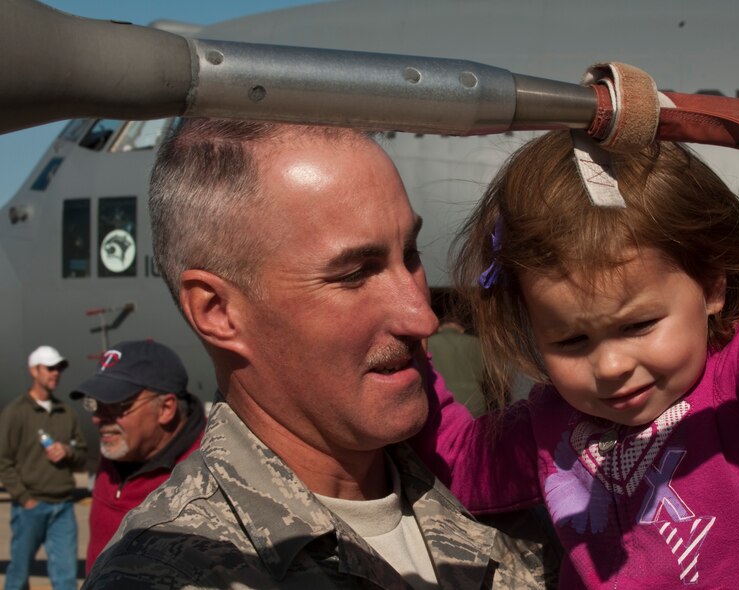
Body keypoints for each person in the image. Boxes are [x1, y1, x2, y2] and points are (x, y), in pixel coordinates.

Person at [411, 84, 739, 588]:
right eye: (570, 341)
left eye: (638, 326)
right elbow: (457, 459)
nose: (610, 367)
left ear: (712, 286)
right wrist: (408, 344)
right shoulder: (550, 425)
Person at [83, 122, 559, 588]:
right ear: (219, 312)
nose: (422, 317)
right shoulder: (177, 572)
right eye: (354, 273)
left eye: (410, 254)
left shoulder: (519, 505)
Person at [68, 339, 206, 573]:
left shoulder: (207, 476)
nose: (98, 418)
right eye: (96, 404)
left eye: (116, 405)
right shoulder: (118, 449)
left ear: (166, 408)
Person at [0, 346, 86, 590]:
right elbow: (3, 462)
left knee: (66, 579)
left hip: (64, 509)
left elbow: (82, 458)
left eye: (58, 368)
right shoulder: (15, 413)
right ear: (33, 370)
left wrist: (67, 451)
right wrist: (25, 499)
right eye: (50, 368)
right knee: (18, 575)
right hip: (31, 508)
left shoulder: (66, 413)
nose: (55, 373)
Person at [427, 319, 487, 417]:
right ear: (461, 328)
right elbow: (493, 376)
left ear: (440, 327)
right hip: (474, 403)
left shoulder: (429, 343)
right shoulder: (476, 343)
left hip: (440, 402)